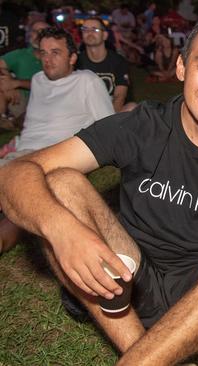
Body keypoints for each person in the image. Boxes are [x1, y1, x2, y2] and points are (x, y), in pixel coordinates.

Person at [0, 14, 198, 365]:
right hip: (129, 282)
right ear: (182, 67)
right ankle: (154, 353)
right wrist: (60, 229)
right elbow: (15, 173)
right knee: (61, 183)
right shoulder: (142, 125)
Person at [0, 27, 114, 253]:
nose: (48, 59)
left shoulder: (87, 82)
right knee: (15, 196)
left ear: (72, 57)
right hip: (21, 153)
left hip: (53, 158)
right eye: (43, 53)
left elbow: (109, 126)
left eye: (55, 52)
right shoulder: (38, 80)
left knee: (20, 198)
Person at [77, 17, 137, 112]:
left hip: (110, 109)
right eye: (85, 29)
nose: (89, 33)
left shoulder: (118, 61)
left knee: (132, 107)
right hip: (86, 111)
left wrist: (107, 121)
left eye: (94, 29)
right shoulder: (76, 61)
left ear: (104, 35)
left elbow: (119, 96)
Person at [0, 21, 49, 128]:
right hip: (20, 100)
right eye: (35, 31)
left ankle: (14, 123)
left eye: (43, 32)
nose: (38, 35)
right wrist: (6, 78)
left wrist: (17, 83)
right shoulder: (21, 54)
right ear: (30, 34)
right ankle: (2, 120)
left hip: (47, 101)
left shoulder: (54, 57)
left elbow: (49, 83)